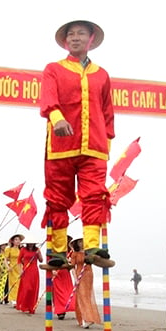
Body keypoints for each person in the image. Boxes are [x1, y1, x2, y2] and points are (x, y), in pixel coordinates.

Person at [40, 19, 115, 269]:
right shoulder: (54, 69)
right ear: (65, 40)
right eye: (70, 34)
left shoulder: (102, 75)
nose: (75, 38)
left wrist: (108, 143)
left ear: (90, 39)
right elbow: (48, 98)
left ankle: (93, 246)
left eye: (80, 33)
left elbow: (107, 111)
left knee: (95, 195)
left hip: (95, 146)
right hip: (61, 146)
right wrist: (57, 118)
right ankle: (58, 252)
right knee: (58, 198)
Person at [70, 238, 100, 329]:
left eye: (83, 241)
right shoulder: (74, 254)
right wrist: (75, 278)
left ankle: (88, 317)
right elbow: (72, 267)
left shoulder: (89, 253)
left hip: (89, 275)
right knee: (81, 296)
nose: (81, 243)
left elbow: (95, 261)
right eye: (79, 242)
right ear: (76, 243)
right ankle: (85, 319)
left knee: (87, 296)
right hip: (79, 274)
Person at [15, 241, 42, 314]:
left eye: (32, 243)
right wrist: (20, 270)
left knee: (33, 289)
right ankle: (23, 305)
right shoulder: (23, 249)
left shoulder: (37, 249)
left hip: (34, 271)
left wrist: (39, 254)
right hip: (26, 270)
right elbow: (19, 261)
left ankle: (31, 307)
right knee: (27, 288)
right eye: (30, 243)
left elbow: (41, 260)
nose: (31, 244)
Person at [4, 234, 23, 305]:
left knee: (19, 283)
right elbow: (5, 259)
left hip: (20, 267)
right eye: (16, 240)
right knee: (13, 283)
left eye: (19, 240)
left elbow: (23, 259)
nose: (18, 241)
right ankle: (13, 299)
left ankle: (19, 298)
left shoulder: (21, 249)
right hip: (12, 268)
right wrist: (7, 267)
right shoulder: (9, 249)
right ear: (13, 241)